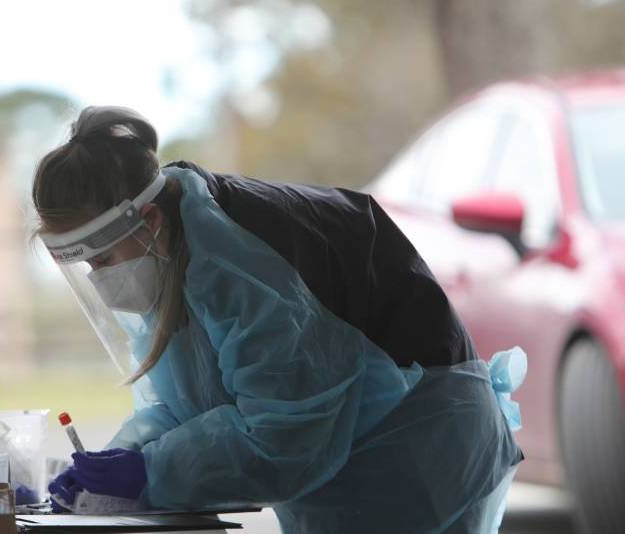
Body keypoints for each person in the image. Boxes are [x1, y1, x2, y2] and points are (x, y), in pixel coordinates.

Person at [34, 106, 525, 532]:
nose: (99, 278)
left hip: (415, 460)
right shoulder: (173, 247)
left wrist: (150, 472)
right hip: (350, 464)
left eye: (101, 259)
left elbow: (283, 435)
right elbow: (189, 403)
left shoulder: (239, 261)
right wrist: (116, 465)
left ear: (148, 220)